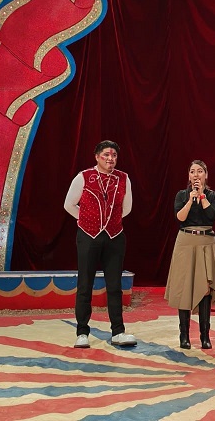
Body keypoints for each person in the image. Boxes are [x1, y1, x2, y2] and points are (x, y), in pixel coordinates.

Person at [64, 140, 136, 348]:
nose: (110, 159)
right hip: (88, 236)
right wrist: (87, 220)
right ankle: (82, 332)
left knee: (114, 285)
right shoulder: (84, 176)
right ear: (97, 157)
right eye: (106, 155)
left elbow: (127, 208)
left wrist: (110, 223)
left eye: (114, 155)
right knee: (85, 284)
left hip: (115, 236)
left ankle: (118, 331)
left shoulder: (123, 178)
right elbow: (69, 204)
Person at [165, 160, 215, 350]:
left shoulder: (213, 195)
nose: (196, 175)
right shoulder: (182, 195)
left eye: (200, 171)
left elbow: (212, 216)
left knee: (206, 287)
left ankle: (204, 336)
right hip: (185, 242)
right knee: (184, 287)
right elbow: (180, 217)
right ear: (188, 175)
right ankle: (184, 336)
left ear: (206, 175)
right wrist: (190, 200)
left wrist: (201, 196)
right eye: (192, 171)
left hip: (206, 243)